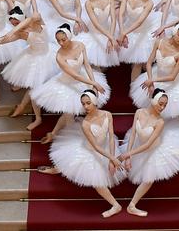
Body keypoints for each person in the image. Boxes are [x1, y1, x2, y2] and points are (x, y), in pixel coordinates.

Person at [40, 90, 126, 218]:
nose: (85, 106)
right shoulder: (86, 123)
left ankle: (58, 169)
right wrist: (112, 158)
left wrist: (111, 158)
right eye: (83, 104)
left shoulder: (107, 114)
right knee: (96, 179)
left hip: (106, 148)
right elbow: (96, 146)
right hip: (92, 150)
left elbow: (111, 137)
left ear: (95, 102)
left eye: (88, 103)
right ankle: (115, 205)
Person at [117, 90, 179, 217]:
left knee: (149, 178)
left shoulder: (160, 122)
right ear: (153, 100)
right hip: (138, 147)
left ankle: (132, 206)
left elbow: (148, 145)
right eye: (160, 103)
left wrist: (129, 154)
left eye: (165, 105)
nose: (162, 107)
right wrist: (128, 155)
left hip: (153, 149)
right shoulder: (139, 112)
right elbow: (133, 135)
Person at [0, 7, 58, 130]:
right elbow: (9, 38)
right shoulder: (20, 33)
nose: (14, 26)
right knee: (34, 88)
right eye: (12, 23)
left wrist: (14, 29)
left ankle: (22, 106)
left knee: (42, 87)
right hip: (34, 58)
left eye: (16, 22)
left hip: (49, 55)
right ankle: (37, 118)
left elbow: (31, 18)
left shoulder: (36, 21)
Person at [81, 0, 122, 68]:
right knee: (98, 61)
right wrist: (111, 38)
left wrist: (110, 37)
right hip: (97, 30)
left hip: (109, 28)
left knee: (113, 54)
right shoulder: (88, 3)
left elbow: (113, 19)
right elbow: (95, 24)